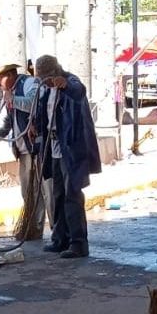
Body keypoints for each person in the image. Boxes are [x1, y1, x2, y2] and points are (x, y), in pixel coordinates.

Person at [31, 54, 101, 259]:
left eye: (44, 78)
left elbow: (79, 91)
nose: (42, 82)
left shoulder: (70, 82)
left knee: (72, 195)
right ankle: (60, 238)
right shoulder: (47, 92)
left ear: (53, 73)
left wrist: (65, 85)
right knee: (58, 194)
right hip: (53, 146)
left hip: (71, 149)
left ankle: (79, 243)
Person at [0, 62, 45, 239]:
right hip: (23, 149)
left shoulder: (28, 83)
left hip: (36, 147)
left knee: (41, 191)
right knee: (27, 191)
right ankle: (32, 228)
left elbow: (34, 104)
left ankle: (41, 228)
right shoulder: (9, 95)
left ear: (10, 76)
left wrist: (13, 100)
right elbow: (6, 125)